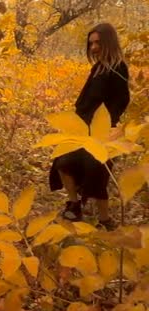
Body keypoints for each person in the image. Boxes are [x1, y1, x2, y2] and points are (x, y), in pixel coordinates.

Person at [48, 23, 130, 230]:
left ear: (108, 43)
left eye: (98, 43)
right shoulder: (98, 67)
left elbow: (121, 101)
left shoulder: (119, 67)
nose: (93, 47)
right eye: (91, 43)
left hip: (103, 131)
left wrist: (108, 128)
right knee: (63, 162)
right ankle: (75, 205)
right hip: (81, 128)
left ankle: (105, 220)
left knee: (98, 172)